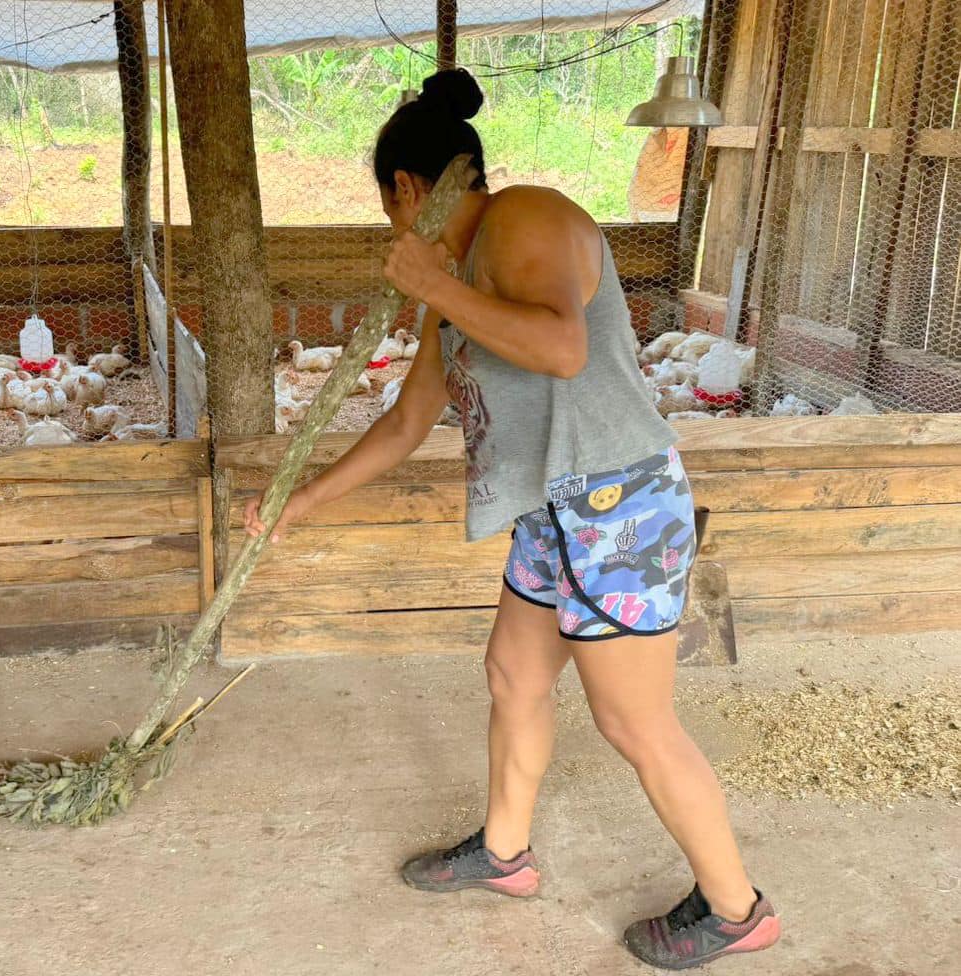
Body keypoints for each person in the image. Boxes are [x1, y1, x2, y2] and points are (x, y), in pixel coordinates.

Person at [244, 68, 780, 970]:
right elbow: (410, 419)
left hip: (617, 507)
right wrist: (301, 501)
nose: (391, 230)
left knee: (634, 725)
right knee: (511, 677)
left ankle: (736, 909)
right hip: (550, 513)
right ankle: (503, 855)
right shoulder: (450, 280)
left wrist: (431, 283)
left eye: (387, 208)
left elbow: (561, 348)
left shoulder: (523, 218)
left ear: (406, 190)